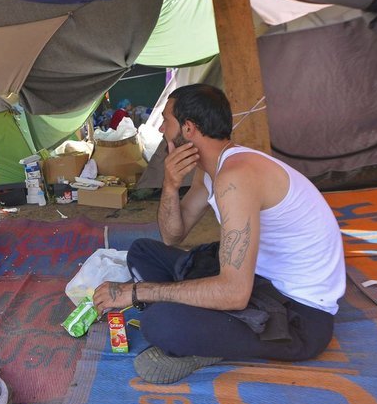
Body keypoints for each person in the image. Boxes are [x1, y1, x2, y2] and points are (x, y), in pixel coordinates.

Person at [93, 84, 345, 384]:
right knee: (143, 251)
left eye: (167, 120)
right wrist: (171, 186)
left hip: (299, 316)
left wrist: (137, 292)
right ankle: (201, 320)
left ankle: (207, 340)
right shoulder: (213, 167)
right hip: (258, 279)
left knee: (160, 323)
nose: (161, 128)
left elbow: (234, 293)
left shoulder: (235, 177)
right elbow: (174, 235)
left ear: (188, 129)